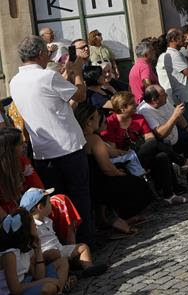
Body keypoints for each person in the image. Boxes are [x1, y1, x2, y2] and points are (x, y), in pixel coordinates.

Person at [9, 37, 93, 246]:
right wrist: (77, 72)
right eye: (46, 53)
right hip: (67, 146)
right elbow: (80, 95)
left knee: (53, 202)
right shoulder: (46, 76)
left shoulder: (14, 81)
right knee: (79, 195)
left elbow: (49, 98)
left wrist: (67, 73)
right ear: (39, 54)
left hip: (42, 151)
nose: (48, 56)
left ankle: (63, 242)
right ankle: (86, 241)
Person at [73, 103, 151, 232]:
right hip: (100, 183)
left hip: (90, 182)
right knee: (140, 186)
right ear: (89, 121)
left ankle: (106, 219)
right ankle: (120, 220)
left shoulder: (79, 137)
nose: (100, 119)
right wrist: (119, 173)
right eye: (97, 117)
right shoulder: (93, 139)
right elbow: (107, 168)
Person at [102, 92, 188, 205]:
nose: (137, 106)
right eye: (132, 104)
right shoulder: (110, 122)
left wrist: (143, 148)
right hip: (124, 159)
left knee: (161, 156)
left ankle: (169, 196)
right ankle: (183, 162)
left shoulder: (138, 118)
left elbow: (149, 137)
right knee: (155, 145)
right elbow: (112, 151)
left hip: (140, 154)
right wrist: (129, 151)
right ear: (123, 108)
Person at [21, 188, 106, 280]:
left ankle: (88, 267)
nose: (51, 205)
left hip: (59, 249)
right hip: (46, 255)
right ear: (40, 207)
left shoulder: (47, 220)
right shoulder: (32, 227)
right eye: (49, 203)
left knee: (83, 247)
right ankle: (66, 277)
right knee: (55, 255)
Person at [0, 208, 62, 295]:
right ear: (26, 228)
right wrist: (45, 281)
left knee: (61, 263)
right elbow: (15, 290)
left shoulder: (25, 247)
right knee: (48, 288)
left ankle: (59, 289)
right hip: (10, 292)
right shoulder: (10, 254)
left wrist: (38, 249)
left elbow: (38, 275)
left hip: (25, 282)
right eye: (32, 222)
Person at [156, 29, 188, 128]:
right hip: (187, 98)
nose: (185, 39)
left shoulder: (177, 53)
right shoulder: (173, 55)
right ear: (173, 39)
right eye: (182, 37)